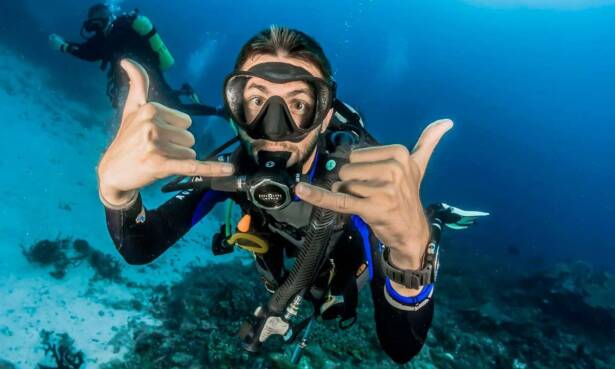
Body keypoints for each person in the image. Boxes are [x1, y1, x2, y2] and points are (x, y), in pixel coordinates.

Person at [96, 26, 488, 364]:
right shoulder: (228, 170)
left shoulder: (358, 187)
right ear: (235, 110)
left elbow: (402, 347)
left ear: (325, 117)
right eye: (256, 100)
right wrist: (115, 192)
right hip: (286, 280)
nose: (274, 126)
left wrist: (410, 253)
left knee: (409, 230)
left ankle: (432, 220)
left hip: (340, 278)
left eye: (299, 103)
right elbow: (139, 246)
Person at [48, 3, 223, 117]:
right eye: (95, 15)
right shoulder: (107, 36)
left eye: (100, 14)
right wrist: (65, 46)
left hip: (148, 75)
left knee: (175, 109)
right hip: (136, 79)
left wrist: (65, 47)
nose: (97, 19)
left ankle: (218, 111)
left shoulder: (120, 29)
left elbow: (92, 52)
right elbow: (91, 52)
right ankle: (185, 93)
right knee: (155, 110)